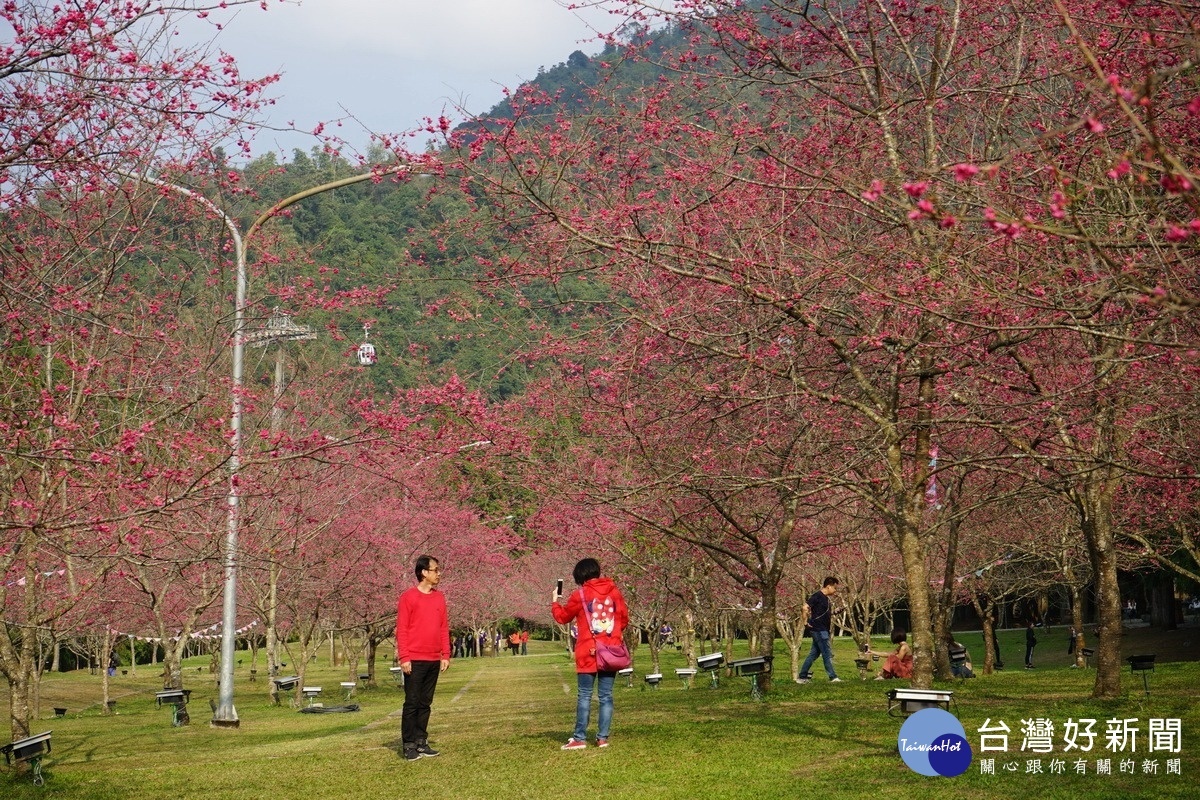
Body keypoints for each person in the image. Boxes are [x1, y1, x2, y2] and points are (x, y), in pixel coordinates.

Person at [551, 557, 629, 750]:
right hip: (610, 652)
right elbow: (624, 619)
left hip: (588, 652)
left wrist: (555, 602)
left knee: (584, 695)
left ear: (579, 576)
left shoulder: (581, 595)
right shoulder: (615, 592)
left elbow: (562, 617)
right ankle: (602, 738)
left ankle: (579, 738)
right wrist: (611, 637)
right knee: (606, 696)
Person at [396, 554, 451, 761]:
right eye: (435, 570)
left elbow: (443, 627)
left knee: (425, 703)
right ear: (424, 573)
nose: (439, 573)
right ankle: (408, 744)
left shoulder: (439, 597)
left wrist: (445, 654)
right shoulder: (408, 597)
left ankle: (421, 741)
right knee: (412, 702)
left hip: (433, 659)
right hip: (414, 659)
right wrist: (404, 657)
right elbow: (402, 629)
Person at [797, 576, 842, 683]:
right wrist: (805, 622)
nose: (835, 591)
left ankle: (802, 676)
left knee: (814, 654)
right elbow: (805, 607)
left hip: (822, 629)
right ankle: (833, 677)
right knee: (826, 653)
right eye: (835, 588)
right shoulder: (817, 596)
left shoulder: (825, 598)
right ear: (828, 586)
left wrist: (835, 612)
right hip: (819, 629)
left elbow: (823, 614)